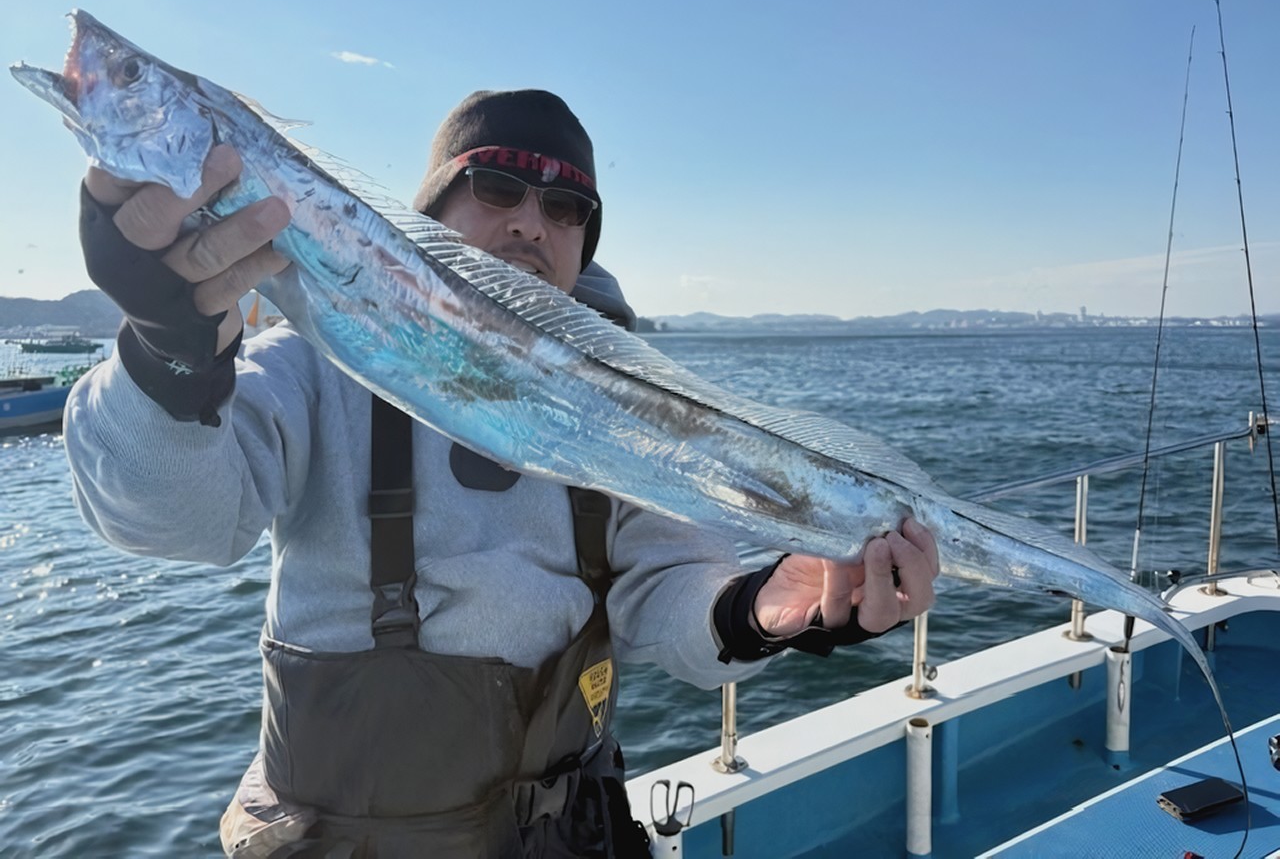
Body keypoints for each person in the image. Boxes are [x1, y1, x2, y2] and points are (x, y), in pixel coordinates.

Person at [64, 89, 941, 858]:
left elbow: (666, 588)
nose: (531, 220)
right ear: (426, 215)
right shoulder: (315, 361)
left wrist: (758, 610)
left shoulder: (625, 406)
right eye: (496, 188)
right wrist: (170, 352)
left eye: (566, 206)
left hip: (571, 833)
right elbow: (177, 518)